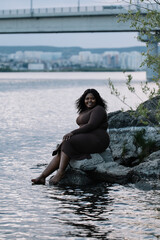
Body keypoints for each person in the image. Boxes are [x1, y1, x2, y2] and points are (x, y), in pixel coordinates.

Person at [31, 89, 110, 185]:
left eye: (93, 98)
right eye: (87, 98)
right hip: (88, 137)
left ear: (97, 99)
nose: (90, 100)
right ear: (83, 100)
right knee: (64, 147)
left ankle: (61, 172)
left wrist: (73, 133)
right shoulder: (85, 110)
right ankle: (42, 177)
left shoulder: (99, 109)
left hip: (98, 139)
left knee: (68, 142)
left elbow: (91, 125)